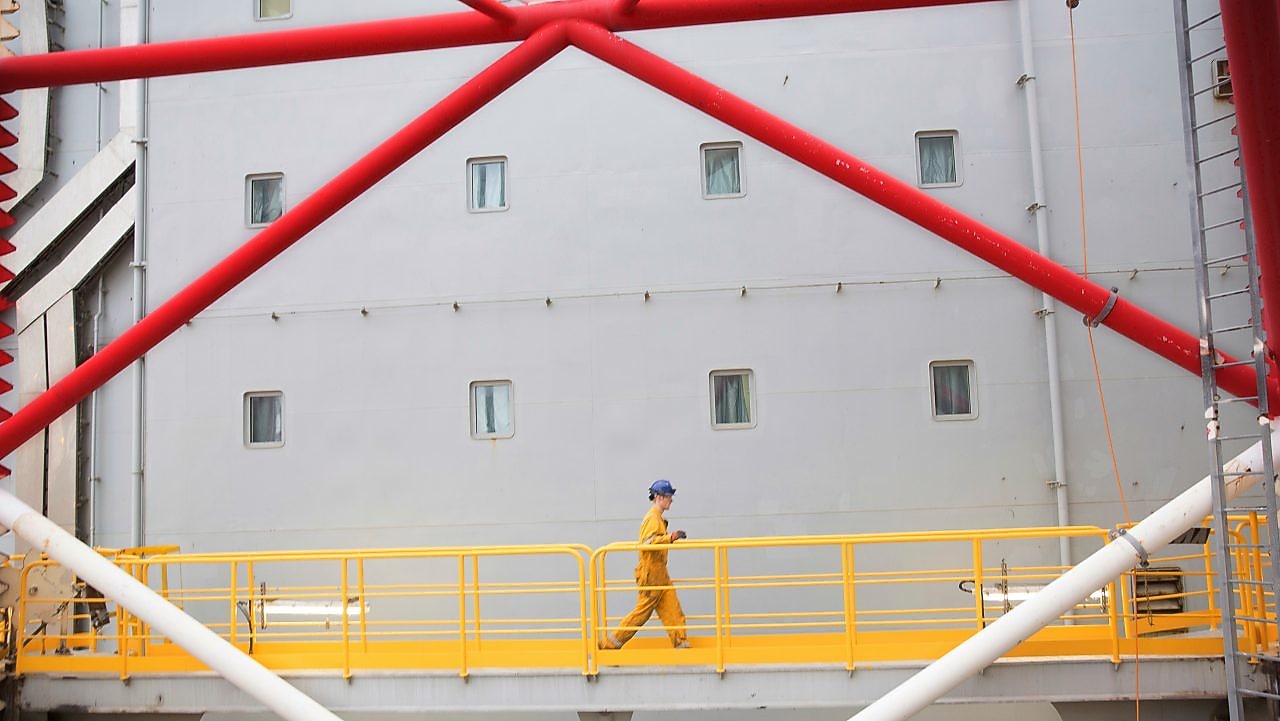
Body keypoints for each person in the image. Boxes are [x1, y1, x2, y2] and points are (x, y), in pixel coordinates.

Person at [599, 479, 690, 650]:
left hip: (660, 574)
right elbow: (647, 543)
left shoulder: (657, 518)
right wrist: (670, 537)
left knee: (673, 609)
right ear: (658, 497)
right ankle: (610, 643)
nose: (671, 500)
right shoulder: (652, 518)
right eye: (668, 496)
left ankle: (681, 643)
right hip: (651, 576)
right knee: (642, 613)